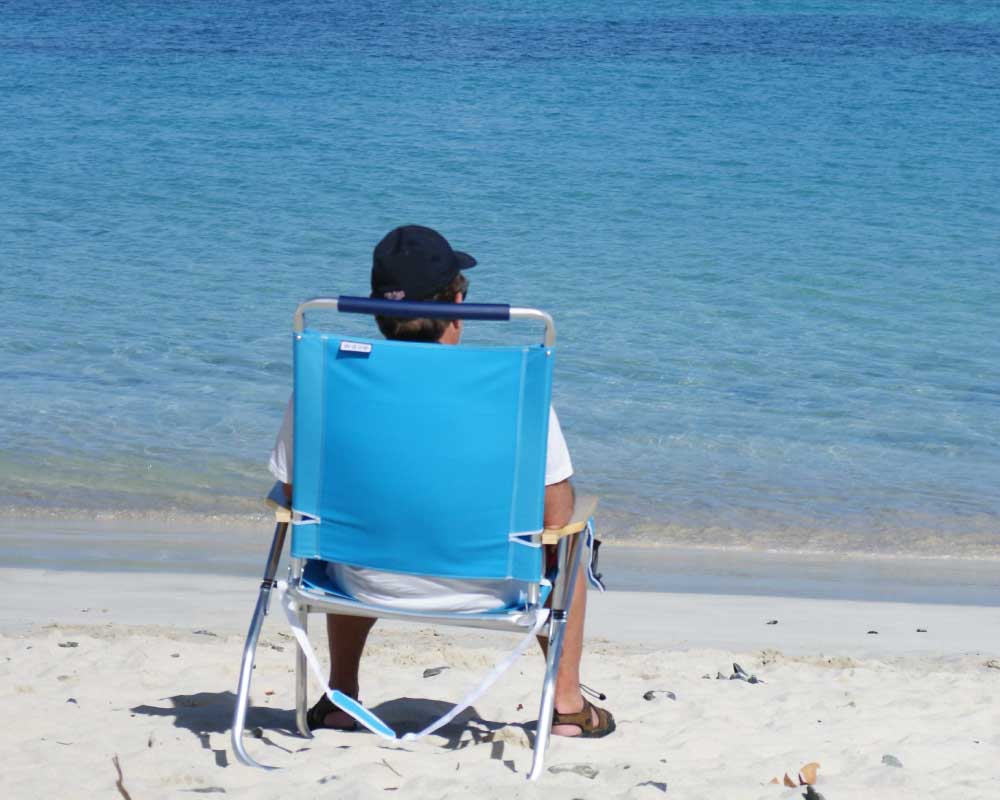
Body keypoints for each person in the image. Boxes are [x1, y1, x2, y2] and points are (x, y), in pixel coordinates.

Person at [268, 225, 614, 738]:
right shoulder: (513, 392)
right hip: (491, 584)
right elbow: (555, 517)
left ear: (379, 311)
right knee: (572, 540)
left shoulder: (327, 387)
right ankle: (566, 706)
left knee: (344, 530)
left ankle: (342, 696)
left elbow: (297, 497)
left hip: (363, 582)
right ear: (457, 306)